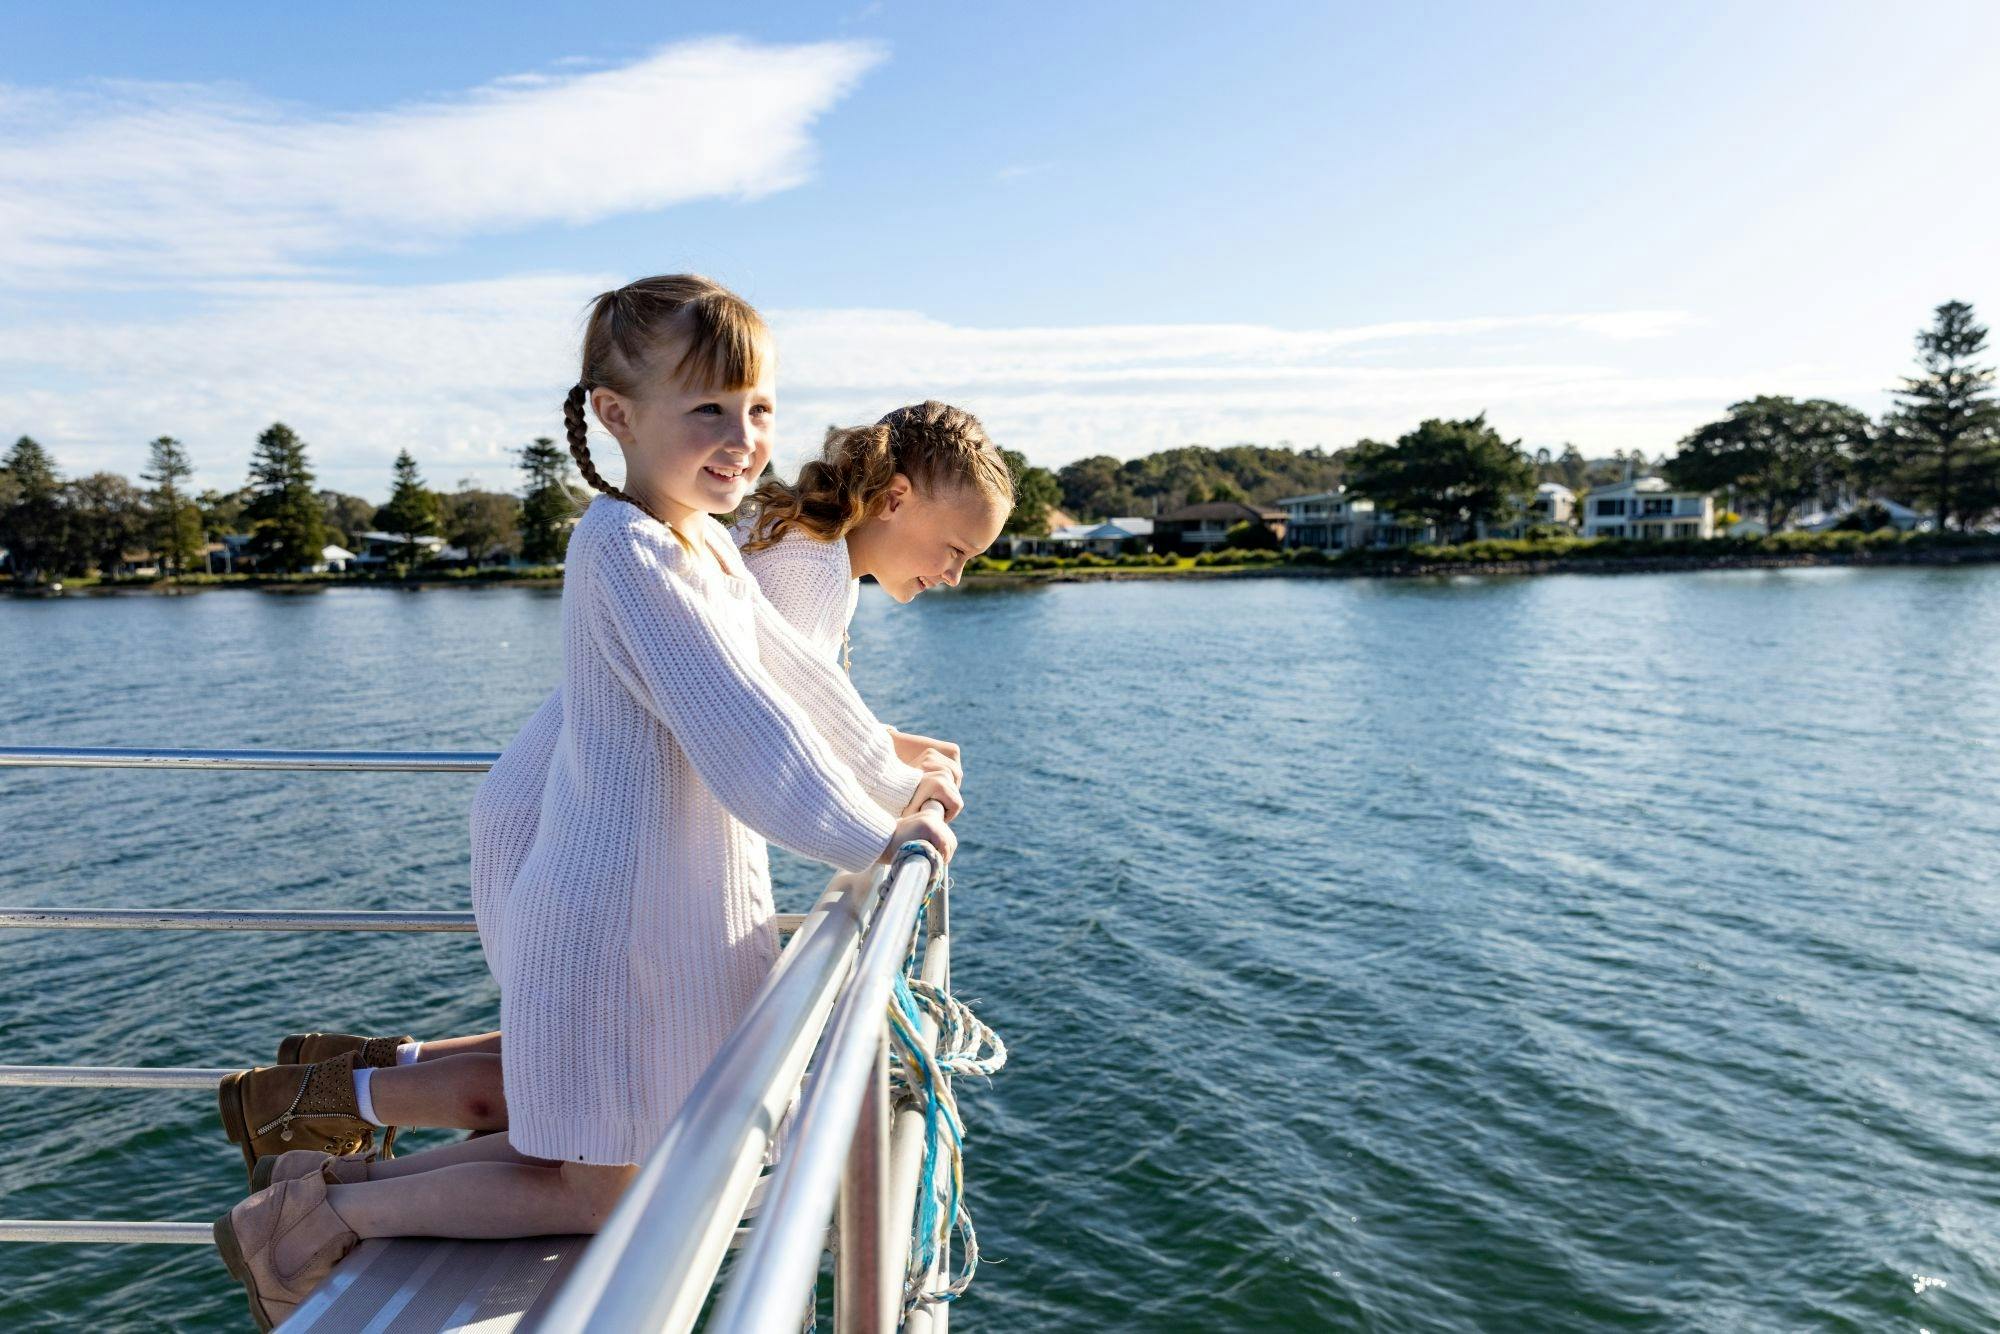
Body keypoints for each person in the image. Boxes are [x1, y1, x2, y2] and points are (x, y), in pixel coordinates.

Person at [212, 276, 969, 1330]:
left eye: (757, 408)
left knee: (605, 1156)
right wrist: (873, 830)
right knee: (592, 1184)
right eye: (705, 408)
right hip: (613, 922)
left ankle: (314, 1178)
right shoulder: (624, 547)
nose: (741, 437)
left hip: (657, 911)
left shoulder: (697, 540)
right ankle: (307, 1214)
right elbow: (743, 733)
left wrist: (890, 780)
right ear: (615, 416)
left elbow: (786, 686)